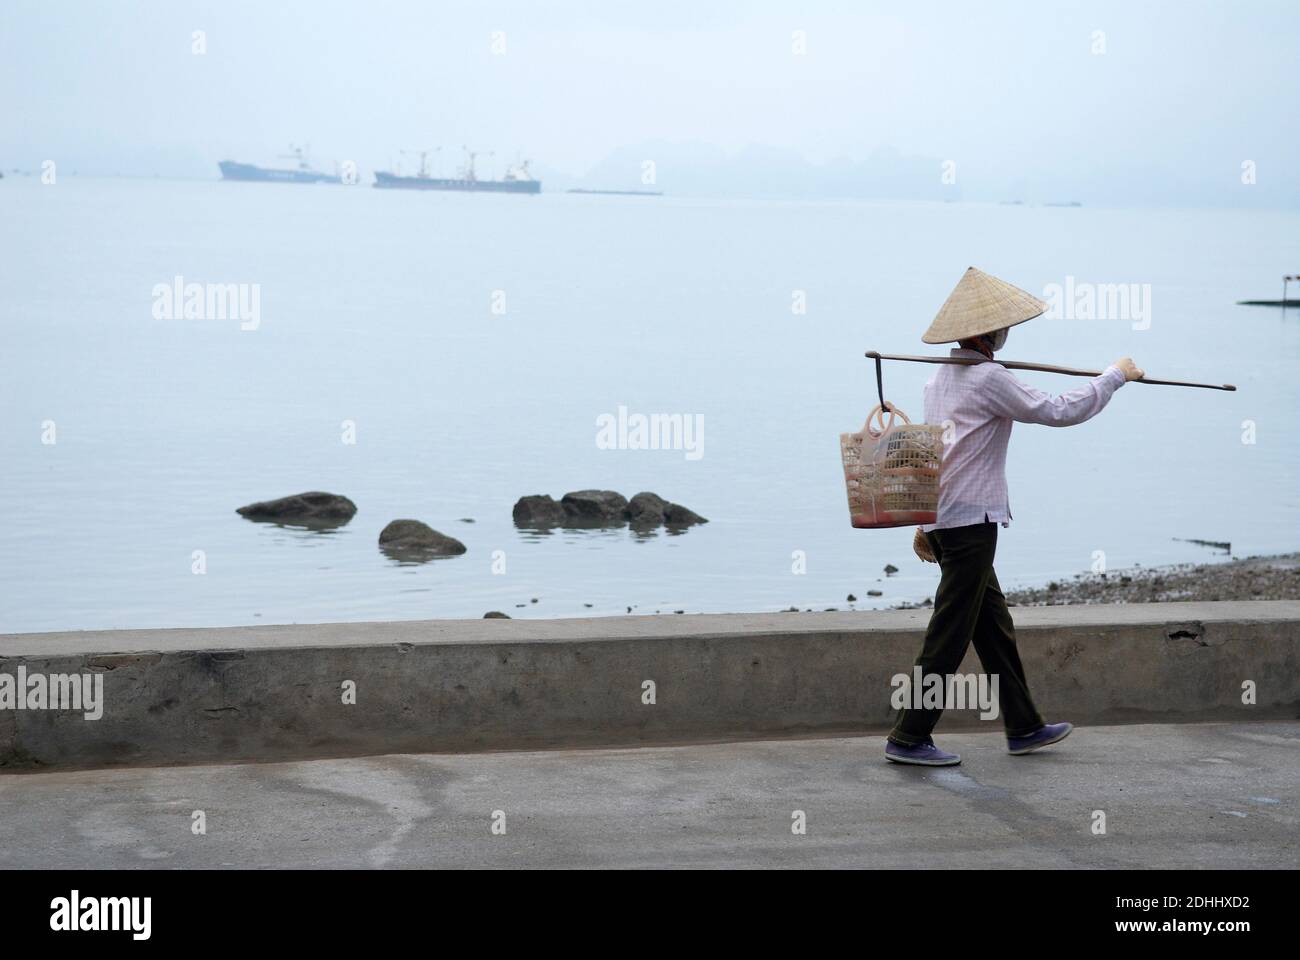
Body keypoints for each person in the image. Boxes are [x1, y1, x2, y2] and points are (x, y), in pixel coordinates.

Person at [885, 267, 1144, 766]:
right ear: (988, 334)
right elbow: (1058, 410)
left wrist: (924, 521)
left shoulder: (938, 378)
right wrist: (1115, 377)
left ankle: (1024, 726)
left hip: (948, 518)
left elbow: (938, 454)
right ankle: (909, 736)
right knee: (950, 631)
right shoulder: (989, 378)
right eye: (1003, 329)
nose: (1007, 335)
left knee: (993, 628)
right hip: (968, 525)